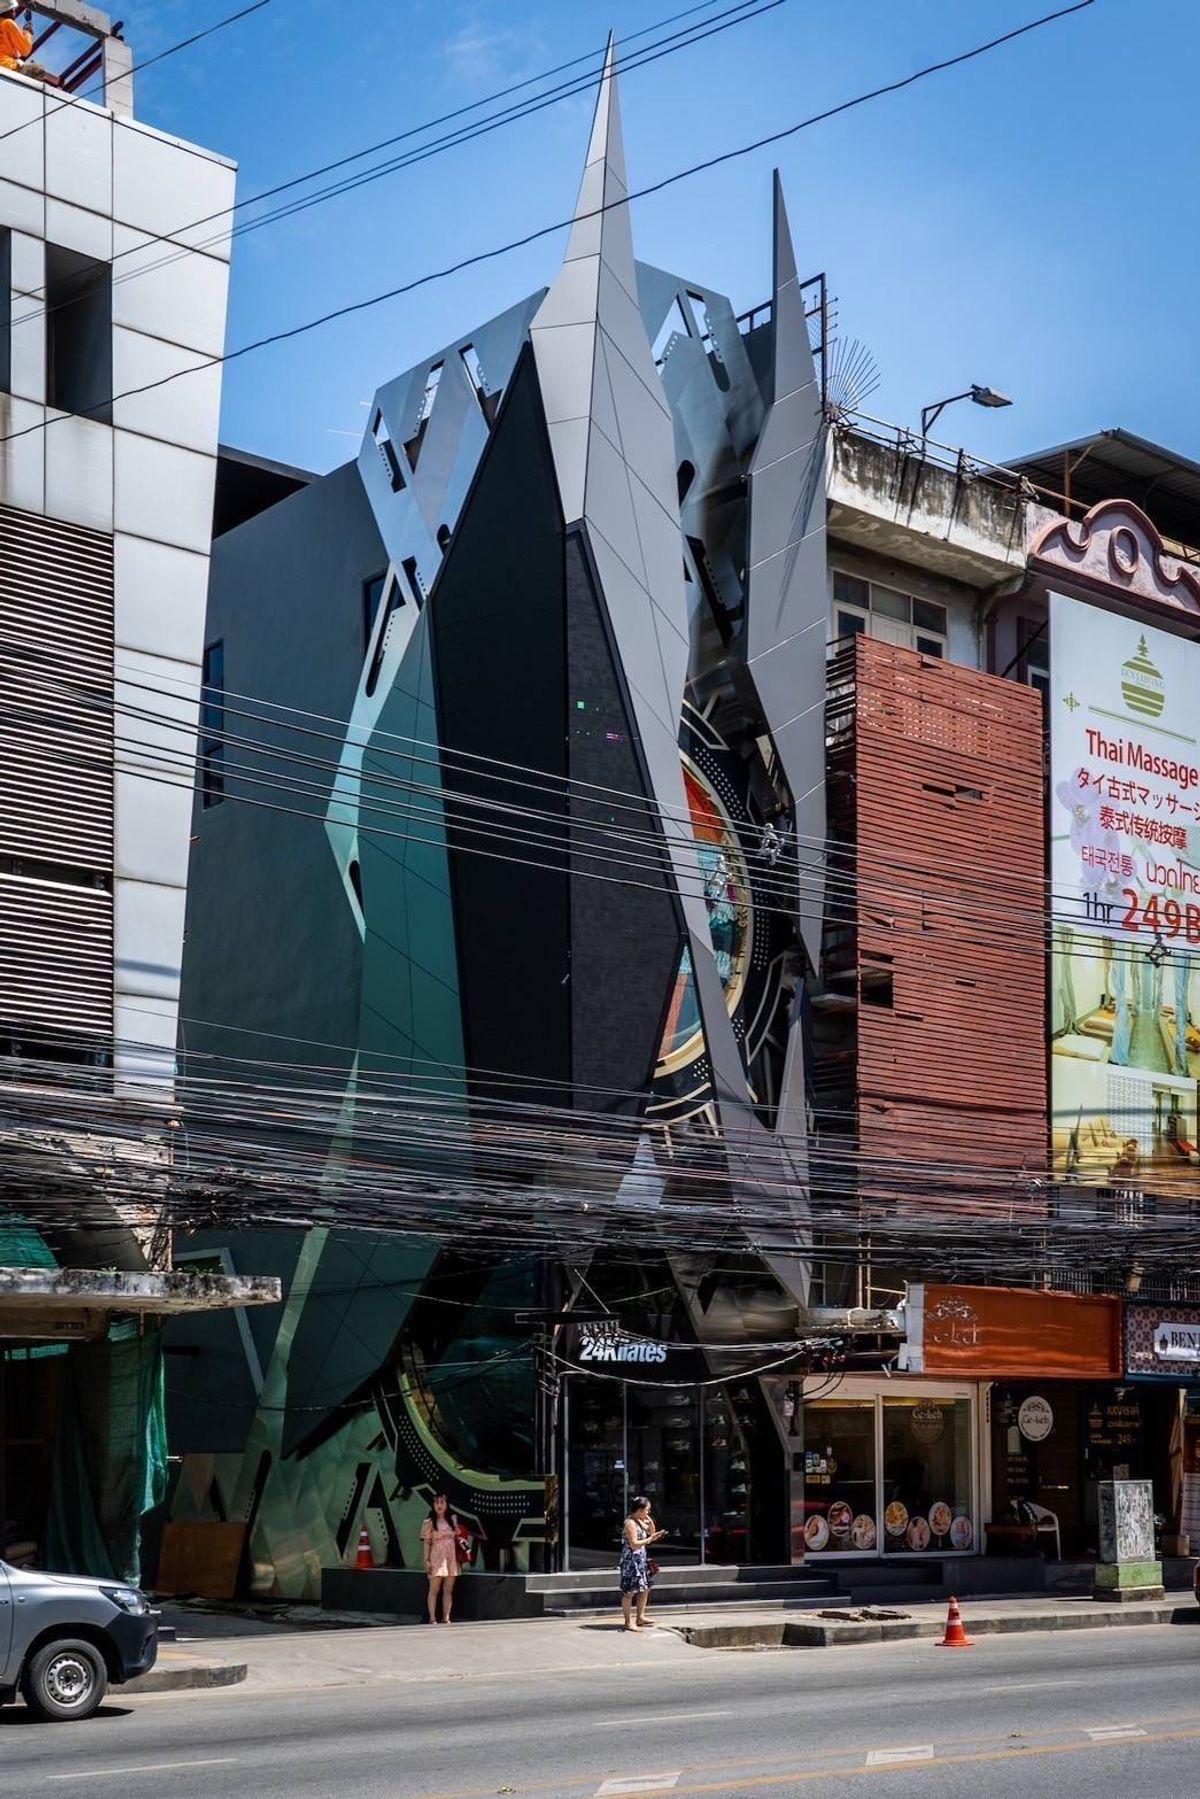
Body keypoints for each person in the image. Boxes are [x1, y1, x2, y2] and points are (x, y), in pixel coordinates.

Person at [619, 1495, 667, 1632]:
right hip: (631, 1561)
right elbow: (634, 1544)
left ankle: (640, 1616)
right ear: (640, 1510)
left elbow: (651, 1531)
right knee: (629, 1591)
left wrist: (649, 1521)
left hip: (641, 1559)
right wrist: (650, 1540)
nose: (648, 1512)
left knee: (645, 1588)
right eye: (647, 1510)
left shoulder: (639, 1521)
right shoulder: (630, 1523)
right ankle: (628, 1622)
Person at [420, 1492, 463, 1624]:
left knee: (448, 1589)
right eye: (436, 1502)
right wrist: (426, 1561)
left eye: (442, 1502)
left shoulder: (453, 1520)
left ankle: (446, 1617)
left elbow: (459, 1536)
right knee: (434, 1589)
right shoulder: (429, 1522)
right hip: (436, 1557)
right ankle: (432, 1617)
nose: (439, 1505)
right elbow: (426, 1543)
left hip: (451, 1558)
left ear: (446, 1504)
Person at [0, 2, 33, 73]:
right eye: (12, 10)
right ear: (7, 11)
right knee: (37, 71)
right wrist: (28, 32)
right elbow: (25, 50)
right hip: (6, 64)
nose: (14, 11)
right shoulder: (8, 23)